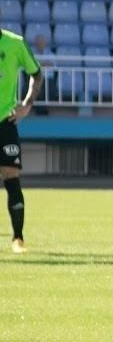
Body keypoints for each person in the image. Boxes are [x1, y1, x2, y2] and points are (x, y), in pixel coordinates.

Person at [1, 27, 45, 253]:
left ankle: (18, 238)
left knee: (11, 176)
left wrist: (26, 106)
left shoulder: (15, 43)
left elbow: (36, 73)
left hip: (5, 122)